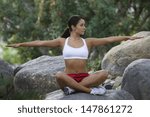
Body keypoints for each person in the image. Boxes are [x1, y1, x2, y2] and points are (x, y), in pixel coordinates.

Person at [7, 15, 142, 95]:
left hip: (84, 77)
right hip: (68, 78)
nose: (84, 27)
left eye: (84, 25)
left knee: (104, 74)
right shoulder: (62, 41)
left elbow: (108, 39)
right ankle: (91, 91)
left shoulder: (88, 42)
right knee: (59, 75)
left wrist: (127, 37)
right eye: (82, 25)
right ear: (73, 27)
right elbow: (40, 43)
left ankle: (75, 89)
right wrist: (21, 44)